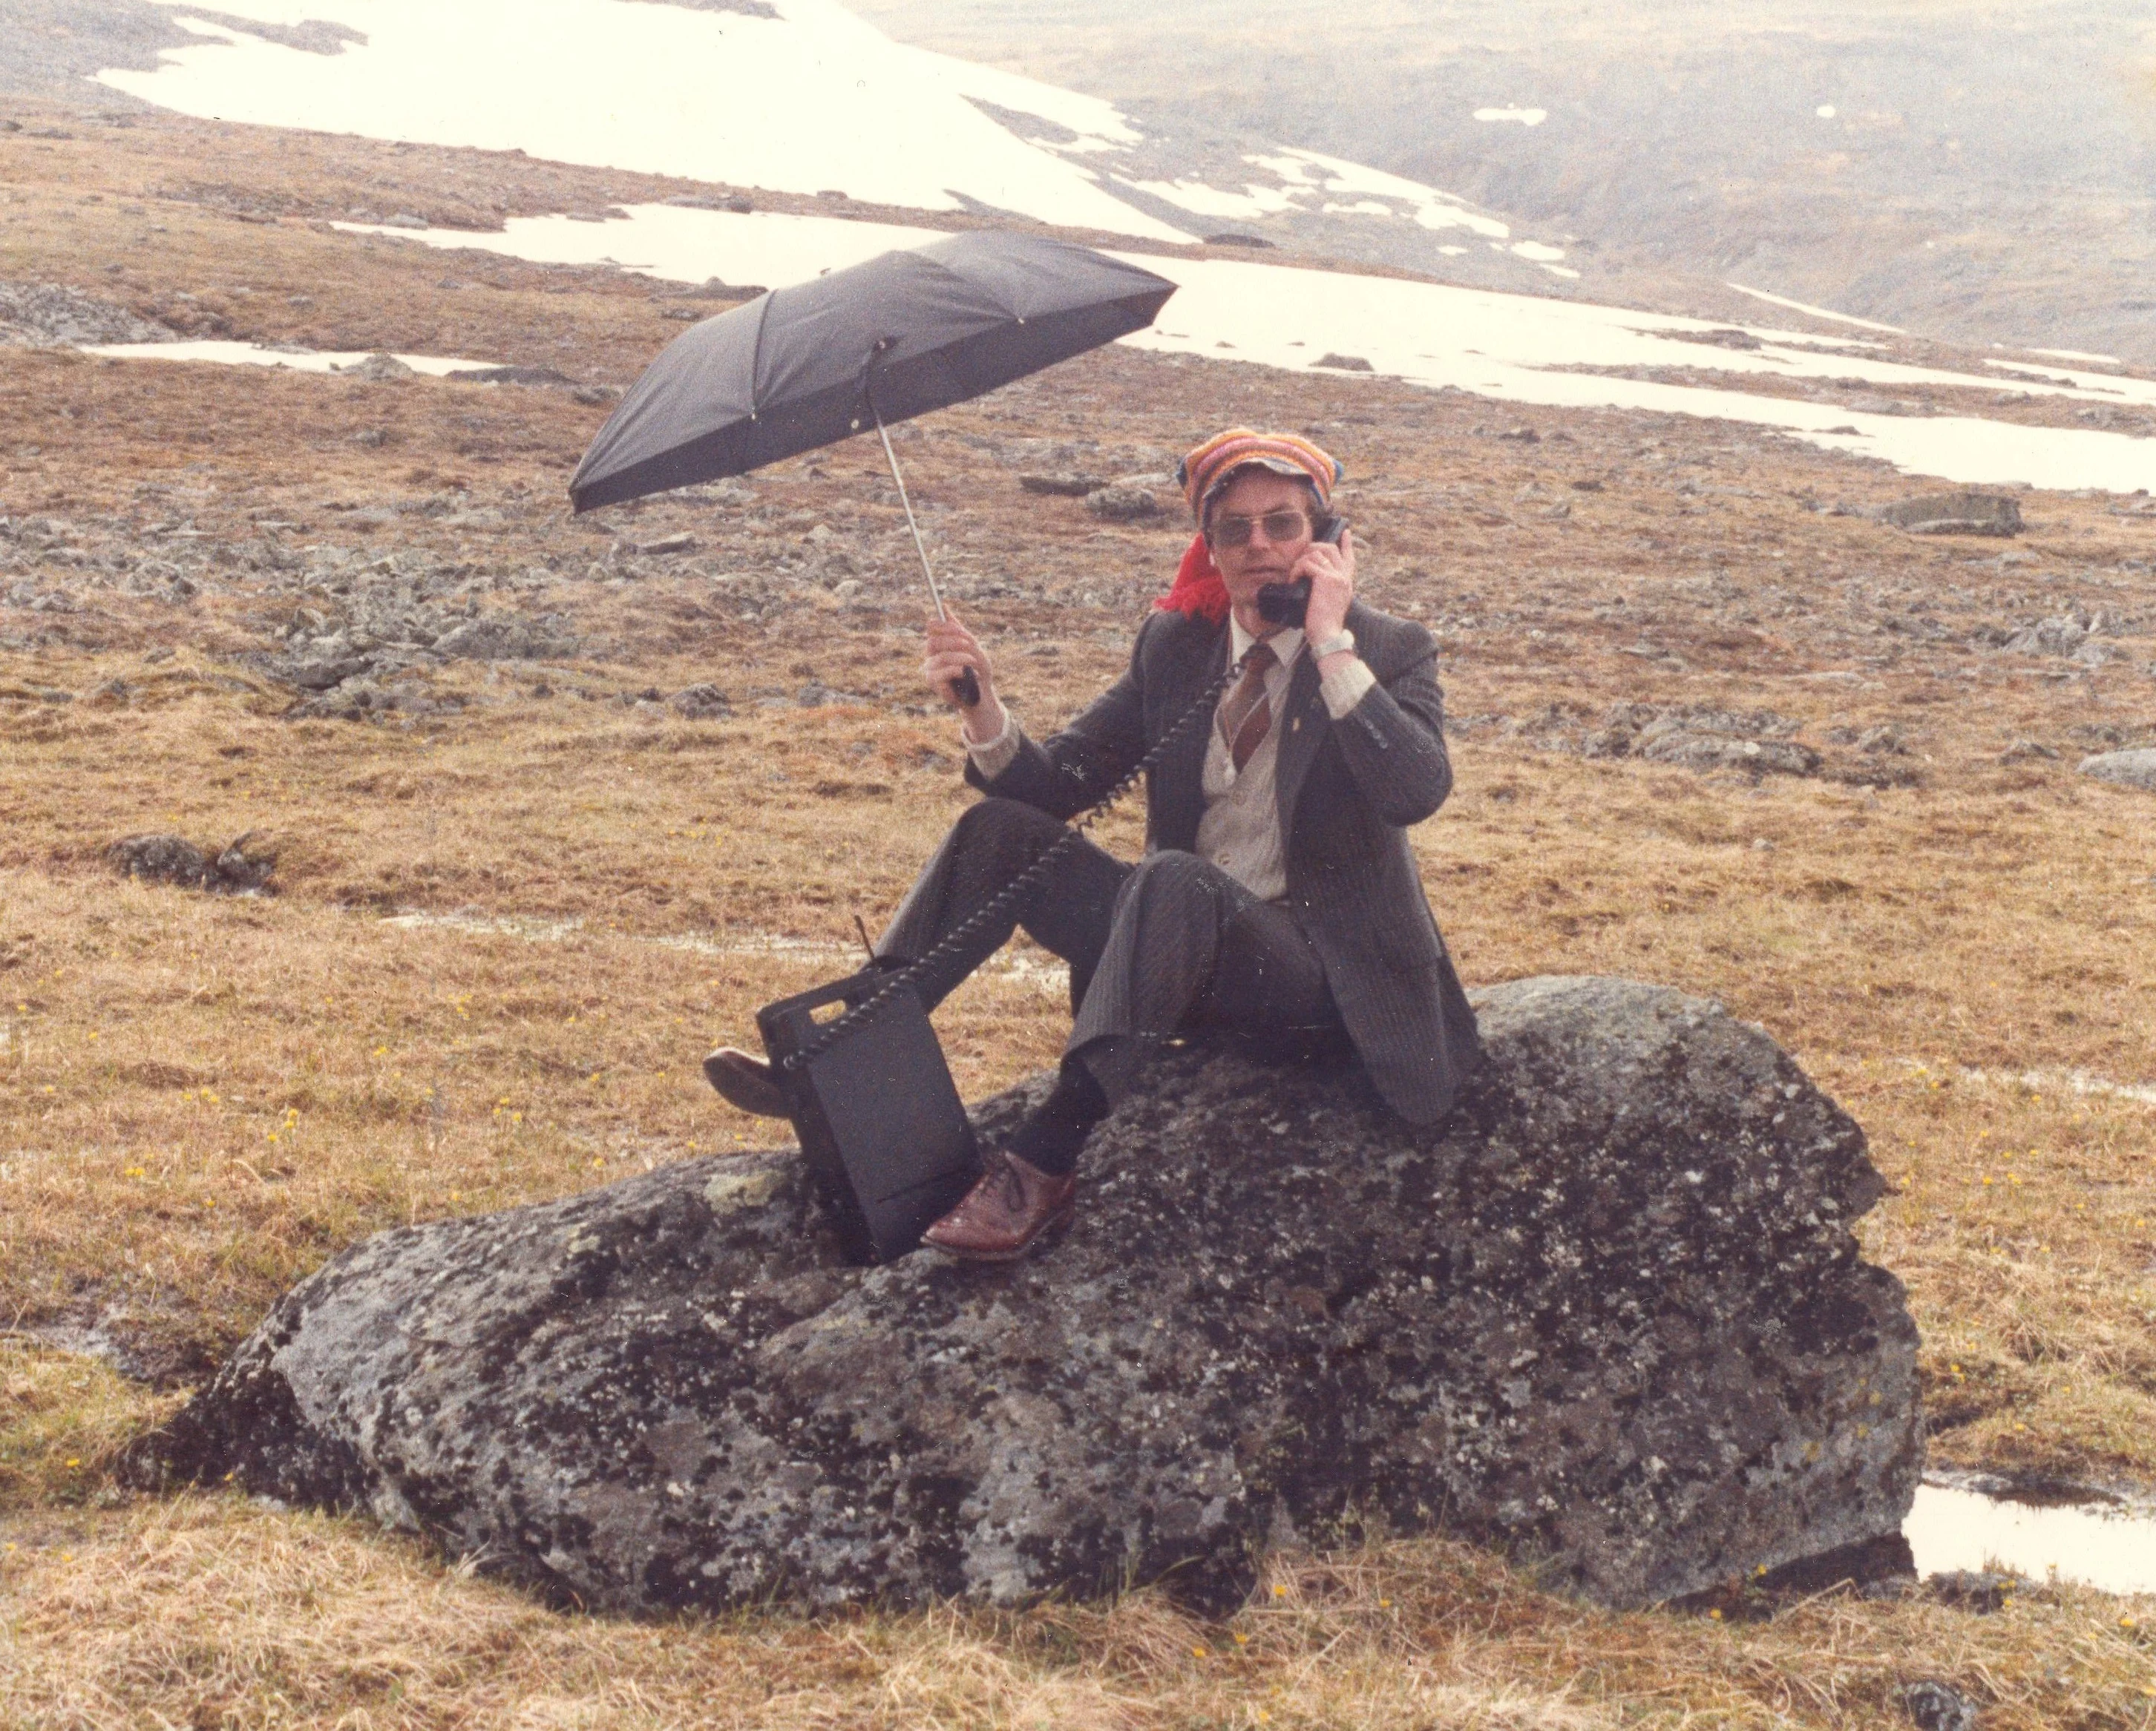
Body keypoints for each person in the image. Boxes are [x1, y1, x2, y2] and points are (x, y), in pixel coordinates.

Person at [704, 427, 1481, 1261]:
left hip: (1314, 981)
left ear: (1328, 541)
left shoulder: (1390, 649)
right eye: (1234, 529)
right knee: (1000, 832)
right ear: (1208, 547)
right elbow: (1061, 783)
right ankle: (836, 1061)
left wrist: (1330, 645)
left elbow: (1416, 790)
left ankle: (1043, 1162)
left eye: (1284, 524)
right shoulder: (1179, 644)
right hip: (1173, 952)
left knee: (1174, 880)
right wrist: (981, 705)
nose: (1260, 547)